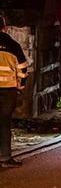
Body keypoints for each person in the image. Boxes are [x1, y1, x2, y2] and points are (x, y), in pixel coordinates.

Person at [0, 16, 28, 168]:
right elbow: (23, 68)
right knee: (4, 123)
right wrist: (21, 86)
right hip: (8, 90)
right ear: (4, 27)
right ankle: (5, 157)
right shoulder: (13, 45)